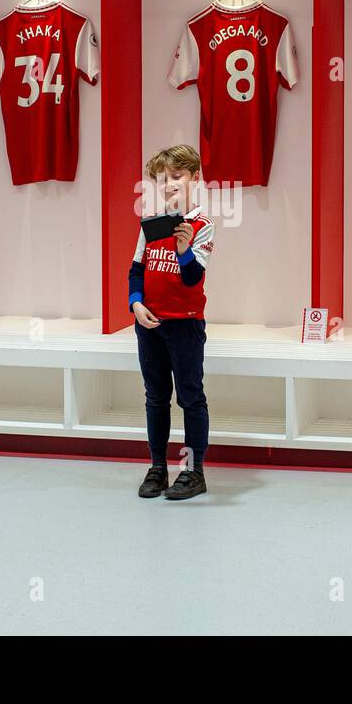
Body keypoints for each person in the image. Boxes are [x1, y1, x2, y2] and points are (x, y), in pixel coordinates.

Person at [128, 145, 214, 500]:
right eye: (162, 179)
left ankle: (193, 472)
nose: (169, 185)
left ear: (194, 178)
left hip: (186, 326)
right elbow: (136, 270)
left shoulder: (201, 226)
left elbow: (193, 279)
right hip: (150, 325)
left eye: (176, 177)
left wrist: (183, 250)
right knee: (155, 397)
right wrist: (134, 303)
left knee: (190, 398)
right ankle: (158, 467)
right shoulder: (151, 225)